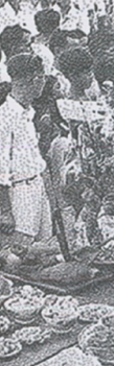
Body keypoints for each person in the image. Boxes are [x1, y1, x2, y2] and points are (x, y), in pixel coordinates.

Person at [0, 54, 52, 245]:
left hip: (37, 185)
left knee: (45, 246)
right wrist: (4, 212)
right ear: (36, 79)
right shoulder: (4, 118)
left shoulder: (28, 112)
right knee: (19, 252)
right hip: (19, 192)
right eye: (43, 78)